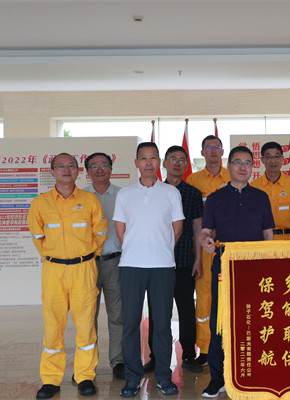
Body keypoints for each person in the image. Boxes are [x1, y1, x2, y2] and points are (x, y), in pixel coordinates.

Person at [28, 153, 107, 399]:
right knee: (53, 326)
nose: (66, 169)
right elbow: (37, 236)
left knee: (86, 326)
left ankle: (85, 377)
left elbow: (100, 232)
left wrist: (88, 256)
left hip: (84, 269)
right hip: (54, 271)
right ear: (52, 171)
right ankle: (51, 380)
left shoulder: (89, 200)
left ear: (78, 171)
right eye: (60, 166)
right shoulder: (40, 203)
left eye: (71, 166)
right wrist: (53, 257)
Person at [200, 146, 275, 398]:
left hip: (255, 267)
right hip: (225, 265)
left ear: (253, 167)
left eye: (247, 163)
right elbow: (206, 231)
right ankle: (217, 378)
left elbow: (267, 235)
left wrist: (268, 265)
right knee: (220, 320)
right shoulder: (215, 198)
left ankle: (255, 373)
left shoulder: (261, 197)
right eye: (237, 162)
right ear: (228, 165)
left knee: (255, 319)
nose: (243, 167)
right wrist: (205, 241)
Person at [113, 142, 184, 397]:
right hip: (131, 266)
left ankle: (164, 376)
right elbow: (121, 230)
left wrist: (160, 250)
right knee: (130, 323)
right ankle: (132, 378)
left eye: (153, 157)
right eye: (143, 158)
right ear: (136, 163)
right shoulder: (125, 194)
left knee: (162, 324)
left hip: (162, 266)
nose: (148, 162)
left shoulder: (170, 193)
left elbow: (177, 229)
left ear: (159, 162)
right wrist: (138, 249)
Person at [145, 146, 204, 374]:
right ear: (164, 163)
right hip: (157, 262)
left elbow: (198, 228)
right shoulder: (154, 191)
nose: (177, 163)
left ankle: (188, 354)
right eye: (173, 159)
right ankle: (156, 357)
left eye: (181, 160)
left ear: (187, 164)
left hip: (184, 259)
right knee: (158, 311)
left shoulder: (193, 193)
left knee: (186, 309)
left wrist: (198, 260)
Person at [185, 135, 231, 368]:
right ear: (202, 152)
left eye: (217, 147)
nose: (213, 151)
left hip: (228, 246)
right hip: (203, 248)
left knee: (229, 296)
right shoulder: (193, 180)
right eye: (208, 147)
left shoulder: (232, 176)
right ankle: (204, 348)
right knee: (203, 299)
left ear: (222, 151)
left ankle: (229, 346)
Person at [83, 152, 125, 380]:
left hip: (115, 261)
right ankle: (86, 366)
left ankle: (118, 361)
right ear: (87, 172)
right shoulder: (80, 196)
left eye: (104, 165)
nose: (100, 170)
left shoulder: (122, 195)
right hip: (87, 264)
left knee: (118, 315)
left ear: (111, 169)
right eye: (94, 166)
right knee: (87, 317)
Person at [250, 141, 290, 240]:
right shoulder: (254, 186)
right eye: (268, 157)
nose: (273, 161)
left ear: (282, 159)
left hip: (287, 240)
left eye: (277, 156)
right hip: (262, 240)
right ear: (262, 160)